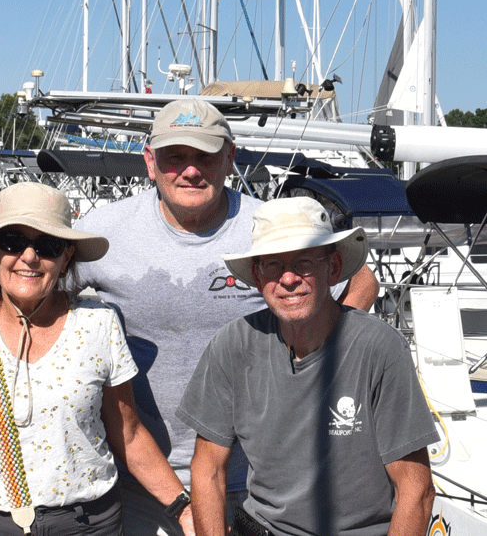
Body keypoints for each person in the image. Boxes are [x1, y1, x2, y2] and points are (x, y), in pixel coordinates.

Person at [72, 98, 380, 535]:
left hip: (260, 482)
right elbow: (42, 295)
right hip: (142, 484)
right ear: (149, 161)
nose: (190, 170)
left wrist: (327, 354)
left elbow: (361, 279)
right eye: (174, 156)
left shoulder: (265, 225)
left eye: (205, 156)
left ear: (230, 158)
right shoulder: (103, 229)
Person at [0, 182, 196, 536]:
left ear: (66, 258)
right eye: (13, 241)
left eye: (48, 245)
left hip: (88, 525)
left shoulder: (98, 323)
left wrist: (183, 509)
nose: (30, 257)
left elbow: (128, 432)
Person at [177, 196, 438, 536]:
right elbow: (207, 468)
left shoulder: (380, 348)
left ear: (333, 267)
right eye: (272, 264)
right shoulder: (233, 344)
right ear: (257, 276)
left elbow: (416, 490)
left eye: (304, 262)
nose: (288, 279)